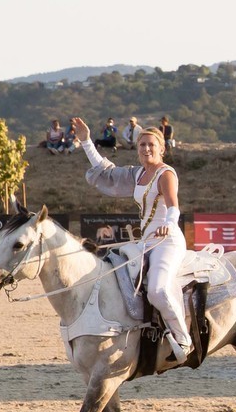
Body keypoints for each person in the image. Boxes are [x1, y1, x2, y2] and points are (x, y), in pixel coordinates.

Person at [70, 117, 194, 362]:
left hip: (167, 241)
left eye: (151, 145)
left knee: (157, 290)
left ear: (162, 149)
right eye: (142, 145)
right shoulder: (138, 174)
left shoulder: (165, 174)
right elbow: (108, 173)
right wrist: (85, 141)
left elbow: (174, 207)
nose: (146, 149)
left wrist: (168, 226)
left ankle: (183, 339)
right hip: (145, 243)